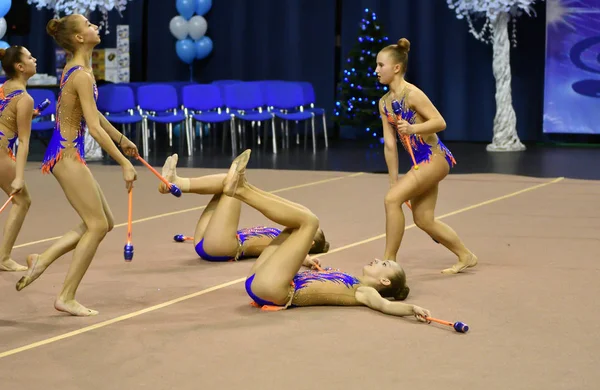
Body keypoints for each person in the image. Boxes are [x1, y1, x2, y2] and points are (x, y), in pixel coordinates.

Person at [15, 15, 138, 317]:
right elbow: (93, 128)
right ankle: (66, 296)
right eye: (89, 25)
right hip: (66, 155)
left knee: (104, 222)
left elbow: (92, 115)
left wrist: (121, 138)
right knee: (96, 225)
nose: (95, 25)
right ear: (80, 38)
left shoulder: (78, 71)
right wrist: (123, 164)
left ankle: (42, 259)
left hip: (68, 154)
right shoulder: (81, 74)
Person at [219, 148, 431, 322]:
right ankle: (243, 187)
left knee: (310, 221)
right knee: (296, 224)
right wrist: (307, 260)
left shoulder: (365, 291)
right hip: (264, 281)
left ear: (384, 281)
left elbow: (385, 305)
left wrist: (411, 309)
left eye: (384, 265)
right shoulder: (350, 277)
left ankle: (241, 190)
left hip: (275, 290)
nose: (377, 260)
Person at [375, 38, 477, 274]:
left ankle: (389, 262)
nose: (376, 70)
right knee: (423, 219)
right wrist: (393, 181)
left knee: (392, 201)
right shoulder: (384, 103)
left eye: (381, 65)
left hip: (434, 158)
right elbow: (390, 145)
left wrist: (413, 129)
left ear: (396, 68)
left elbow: (440, 122)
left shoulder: (412, 94)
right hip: (419, 163)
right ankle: (465, 255)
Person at [159, 153, 330, 262]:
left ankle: (180, 183)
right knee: (228, 181)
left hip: (223, 247)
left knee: (234, 187)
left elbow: (295, 256)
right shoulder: (283, 234)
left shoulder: (292, 245)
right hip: (209, 238)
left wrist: (306, 259)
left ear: (310, 242)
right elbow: (301, 211)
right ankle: (178, 182)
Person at [0, 46, 37, 272]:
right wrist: (20, 177)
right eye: (30, 57)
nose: (35, 59)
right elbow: (23, 142)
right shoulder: (25, 98)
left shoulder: (3, 88)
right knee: (22, 200)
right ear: (20, 67)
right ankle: (4, 258)